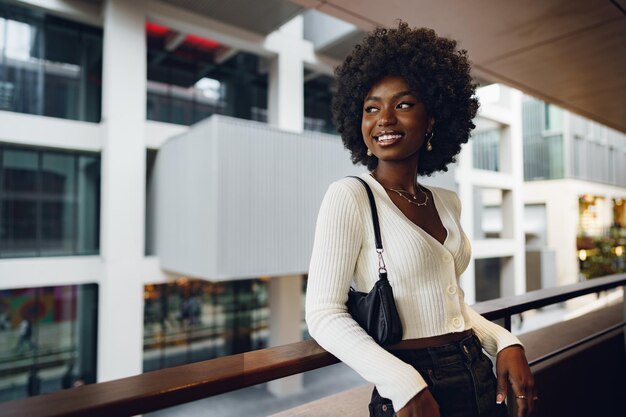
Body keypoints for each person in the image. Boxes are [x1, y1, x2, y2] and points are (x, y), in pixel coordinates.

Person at [306, 22, 536, 417]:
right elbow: (324, 314)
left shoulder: (447, 202)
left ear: (433, 119)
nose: (385, 119)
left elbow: (453, 306)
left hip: (479, 373)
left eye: (404, 104)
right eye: (371, 107)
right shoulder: (350, 196)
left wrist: (504, 341)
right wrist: (403, 384)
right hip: (411, 386)